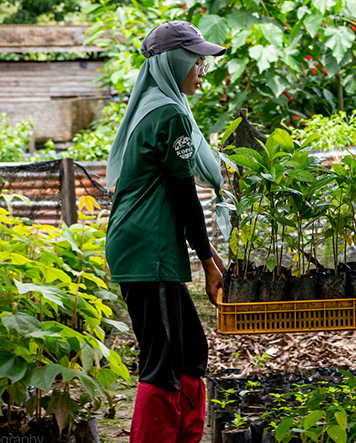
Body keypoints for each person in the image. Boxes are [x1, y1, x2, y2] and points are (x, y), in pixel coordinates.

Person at [105, 21, 231, 443]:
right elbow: (183, 196)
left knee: (192, 353)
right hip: (149, 249)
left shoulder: (157, 103)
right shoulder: (170, 113)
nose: (202, 69)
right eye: (195, 60)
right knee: (163, 362)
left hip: (147, 245)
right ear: (174, 61)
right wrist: (210, 261)